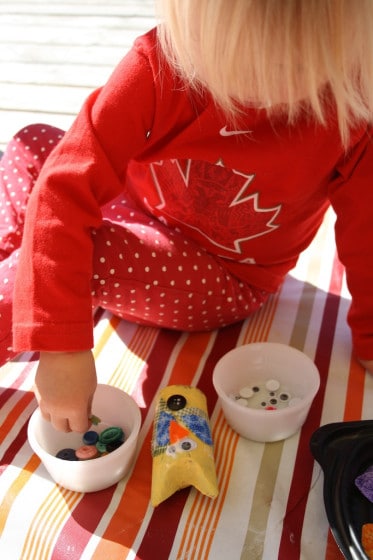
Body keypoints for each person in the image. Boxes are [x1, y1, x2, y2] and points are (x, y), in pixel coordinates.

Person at [1, 0, 373, 432]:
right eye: (229, 59)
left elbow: (367, 240)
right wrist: (58, 339)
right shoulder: (162, 60)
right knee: (34, 145)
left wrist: (61, 345)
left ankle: (27, 287)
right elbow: (66, 183)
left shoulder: (352, 109)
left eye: (290, 70)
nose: (255, 89)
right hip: (138, 211)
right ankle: (22, 275)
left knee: (89, 254)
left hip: (224, 276)